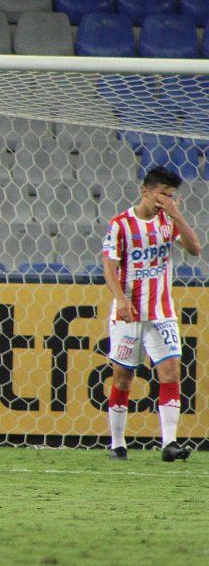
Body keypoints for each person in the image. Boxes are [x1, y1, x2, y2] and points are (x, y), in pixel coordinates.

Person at [102, 166, 201, 462]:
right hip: (129, 314)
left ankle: (169, 443)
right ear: (146, 191)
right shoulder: (120, 224)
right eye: (163, 195)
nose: (167, 201)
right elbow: (109, 266)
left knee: (171, 373)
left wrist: (177, 215)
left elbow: (195, 249)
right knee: (123, 378)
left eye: (172, 197)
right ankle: (118, 444)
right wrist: (119, 299)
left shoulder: (168, 223)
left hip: (162, 313)